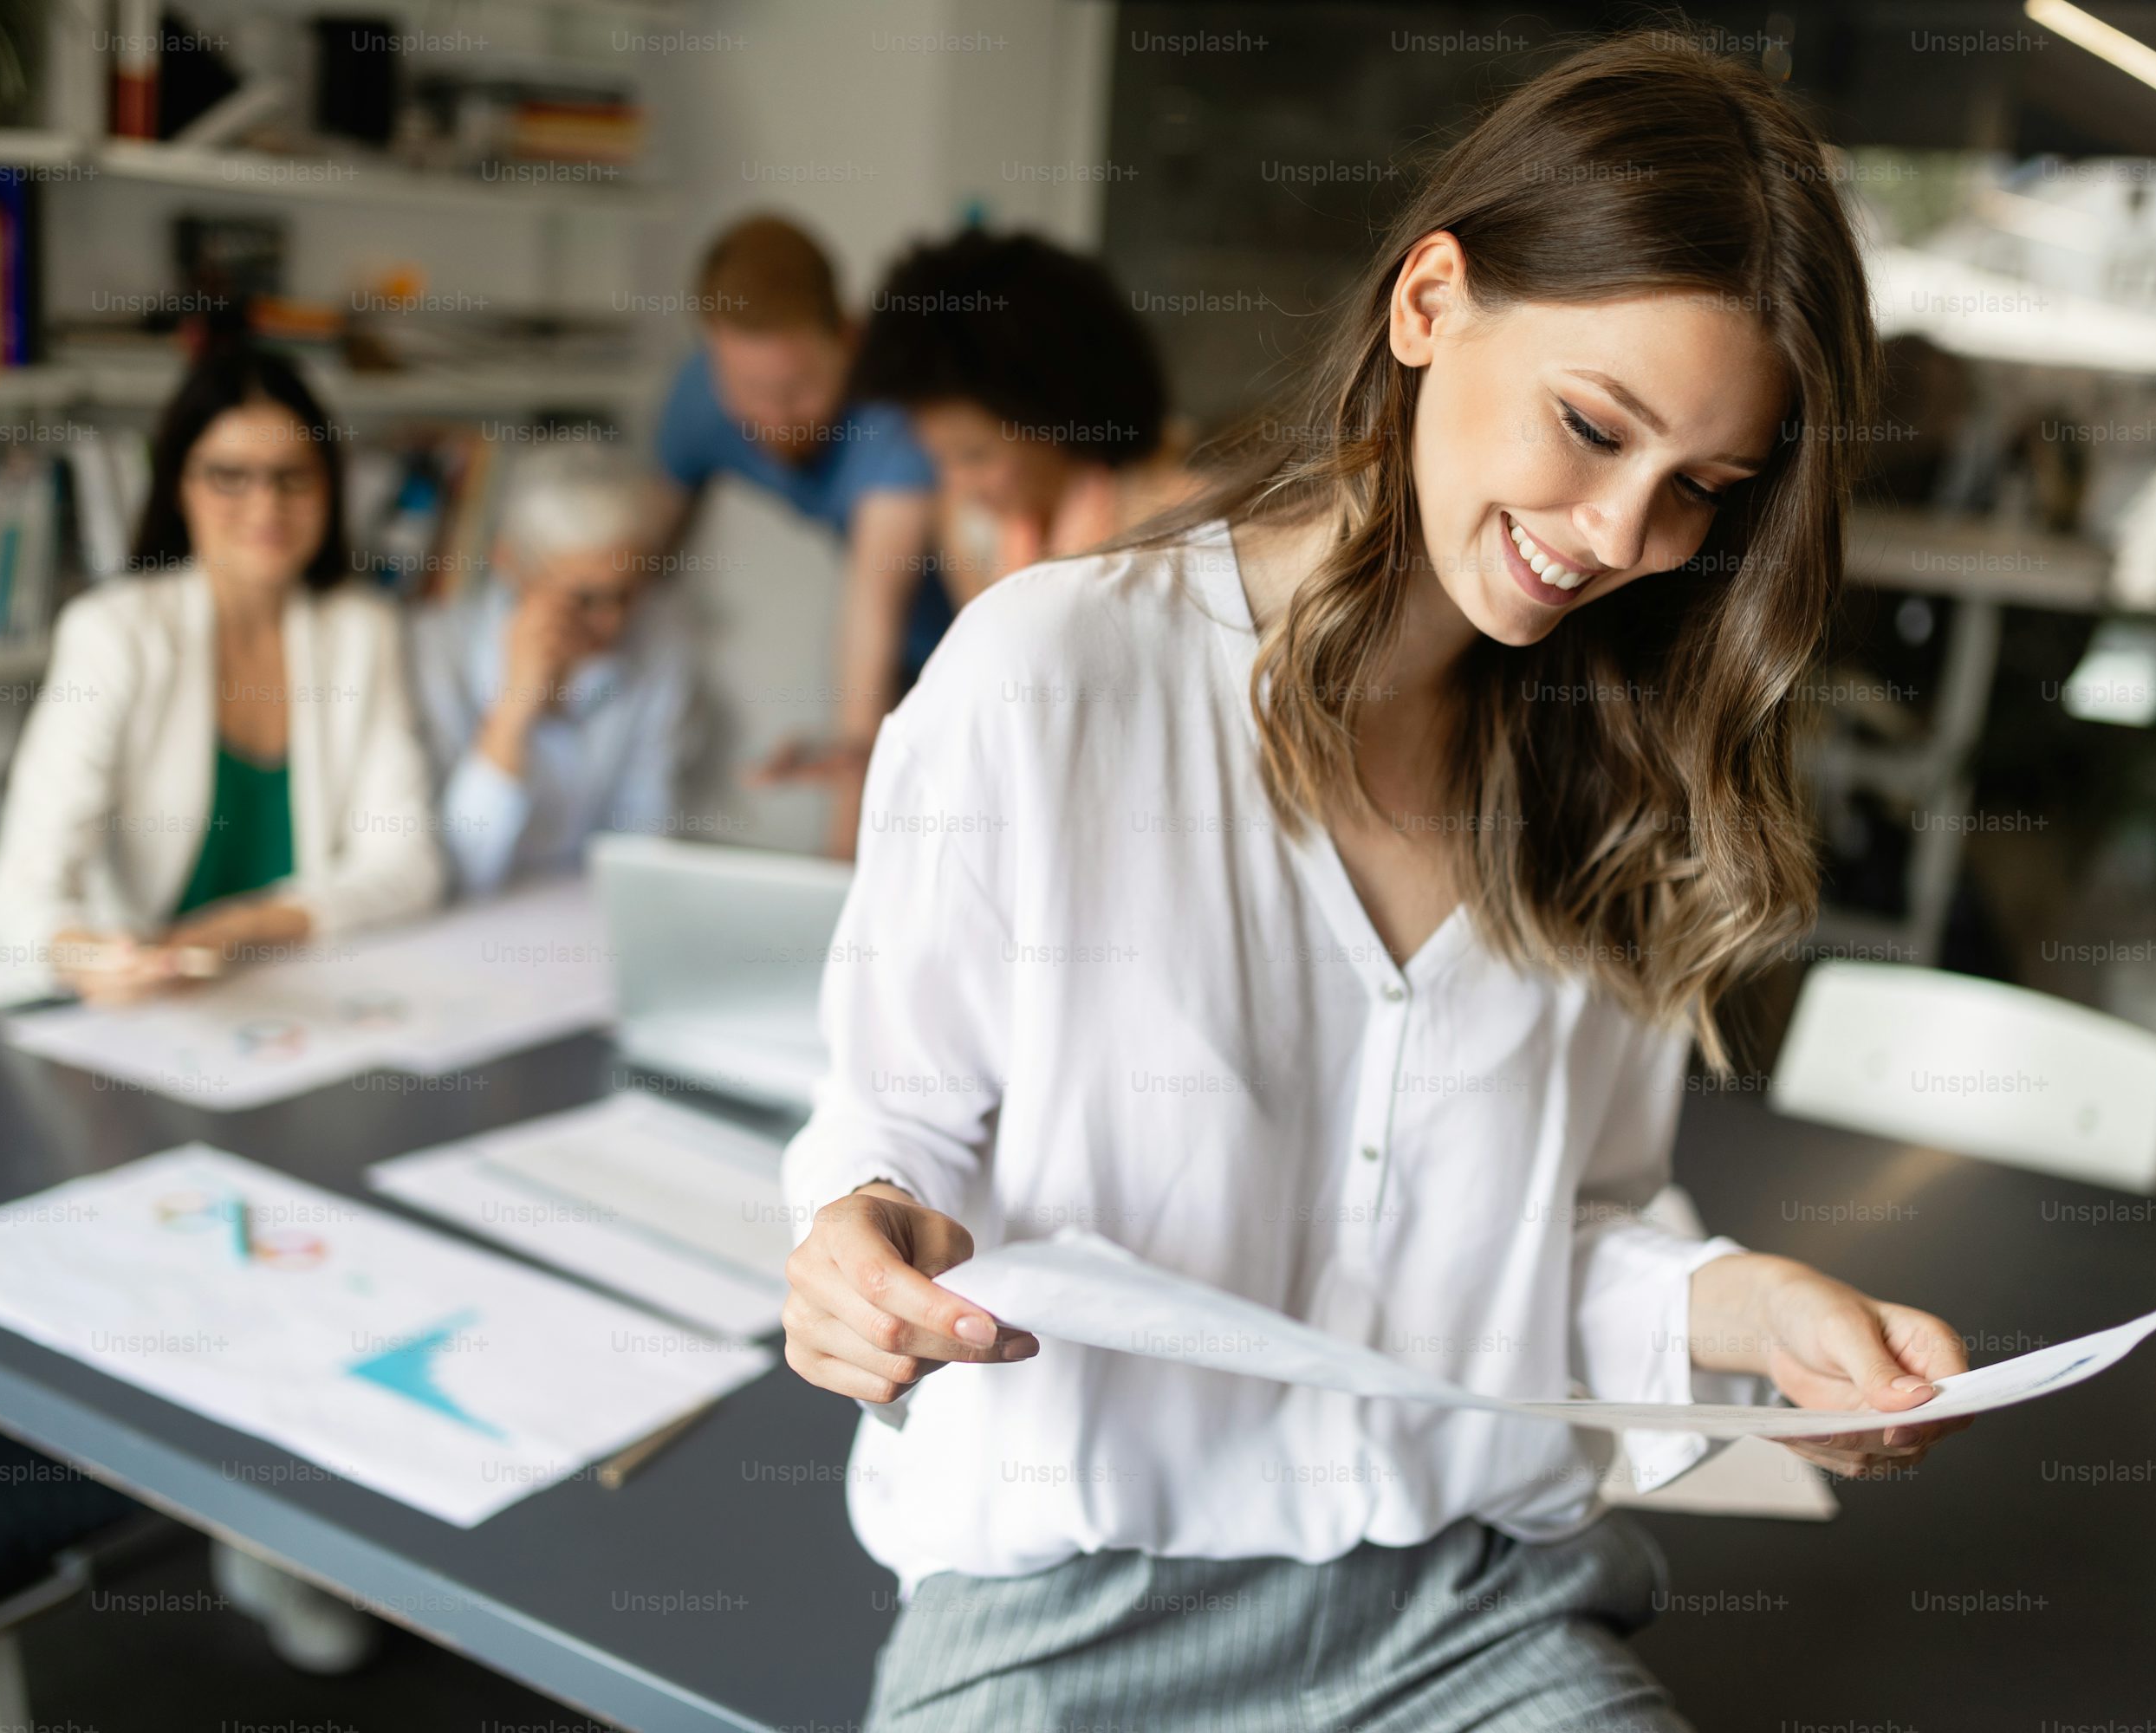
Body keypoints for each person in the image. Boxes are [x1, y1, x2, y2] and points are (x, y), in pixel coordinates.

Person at [779, 36, 1971, 1733]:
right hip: (1070, 1619)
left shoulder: (1621, 772)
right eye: (1591, 428)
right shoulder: (1053, 677)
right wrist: (856, 1242)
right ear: (1431, 301)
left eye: (1700, 491)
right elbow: (892, 1126)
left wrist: (1752, 1306)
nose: (1625, 536)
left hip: (1466, 1604)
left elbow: (1561, 1234)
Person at [0, 343, 442, 1009]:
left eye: (293, 476)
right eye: (229, 476)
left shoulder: (364, 632)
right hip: (113, 1003)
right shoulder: (114, 634)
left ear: (330, 486)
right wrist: (87, 955)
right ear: (179, 486)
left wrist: (242, 931)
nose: (265, 505)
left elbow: (407, 868)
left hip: (283, 994)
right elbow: (20, 894)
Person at [633, 214, 940, 856]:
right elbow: (633, 557)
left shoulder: (894, 410)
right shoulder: (699, 396)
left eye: (799, 389)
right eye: (748, 390)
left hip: (955, 651)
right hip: (904, 649)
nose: (772, 418)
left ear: (848, 340)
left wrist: (839, 872)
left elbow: (871, 622)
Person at [848, 227, 1198, 601]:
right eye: (938, 457)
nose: (959, 484)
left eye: (975, 455)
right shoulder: (977, 527)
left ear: (1064, 419)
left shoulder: (1182, 530)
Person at [409, 447, 695, 898]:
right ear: (510, 564)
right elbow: (455, 872)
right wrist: (513, 711)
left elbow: (645, 838)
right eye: (583, 598)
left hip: (586, 916)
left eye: (627, 593)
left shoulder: (659, 640)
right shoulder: (436, 651)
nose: (612, 623)